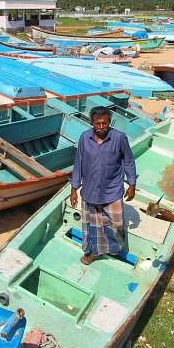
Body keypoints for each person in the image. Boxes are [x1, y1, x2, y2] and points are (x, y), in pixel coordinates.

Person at [69, 106, 137, 265]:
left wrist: (132, 184)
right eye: (97, 124)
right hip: (90, 191)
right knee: (93, 226)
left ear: (109, 122)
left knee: (115, 225)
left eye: (104, 123)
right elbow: (78, 162)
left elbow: (128, 161)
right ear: (92, 123)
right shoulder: (84, 138)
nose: (101, 127)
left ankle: (113, 249)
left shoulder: (119, 138)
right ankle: (94, 252)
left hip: (112, 190)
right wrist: (74, 189)